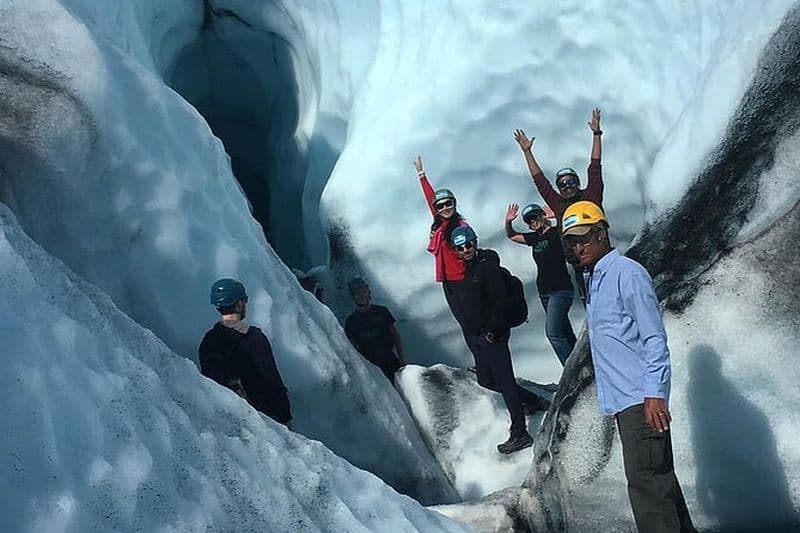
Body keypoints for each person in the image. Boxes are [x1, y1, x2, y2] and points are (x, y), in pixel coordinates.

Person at [561, 201, 696, 533]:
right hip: (627, 402)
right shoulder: (595, 280)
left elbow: (653, 338)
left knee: (648, 490)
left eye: (584, 238)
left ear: (602, 233)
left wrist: (654, 394)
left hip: (642, 402)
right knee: (658, 485)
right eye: (572, 242)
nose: (579, 247)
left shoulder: (626, 274)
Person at [448, 225, 546, 454]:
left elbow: (501, 302)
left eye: (469, 244)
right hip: (482, 335)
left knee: (505, 380)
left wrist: (492, 330)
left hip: (494, 334)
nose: (466, 249)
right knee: (486, 379)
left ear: (476, 242)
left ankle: (520, 433)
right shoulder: (470, 269)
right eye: (461, 247)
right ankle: (532, 400)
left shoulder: (487, 268)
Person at [513, 108, 605, 299]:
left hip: (601, 260)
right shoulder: (558, 203)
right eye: (562, 184)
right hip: (579, 267)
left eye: (571, 181)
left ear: (578, 182)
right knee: (592, 306)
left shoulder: (591, 196)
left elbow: (595, 166)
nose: (568, 186)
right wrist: (527, 152)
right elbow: (540, 182)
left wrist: (596, 134)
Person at [199, 278, 292, 427]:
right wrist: (285, 415)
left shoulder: (208, 340)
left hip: (221, 415)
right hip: (258, 417)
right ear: (239, 304)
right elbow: (271, 379)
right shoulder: (253, 338)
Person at [505, 202, 577, 365]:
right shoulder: (535, 238)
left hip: (561, 290)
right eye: (528, 220)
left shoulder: (555, 233)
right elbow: (512, 235)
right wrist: (508, 221)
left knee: (553, 333)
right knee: (564, 332)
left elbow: (572, 225)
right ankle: (582, 366)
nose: (532, 222)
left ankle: (570, 371)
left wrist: (557, 215)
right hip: (545, 293)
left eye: (534, 217)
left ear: (542, 216)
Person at [413, 155, 471, 340]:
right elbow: (432, 199)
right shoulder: (440, 224)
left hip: (462, 279)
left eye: (448, 204)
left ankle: (483, 361)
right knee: (463, 322)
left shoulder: (461, 226)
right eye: (441, 206)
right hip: (448, 281)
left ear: (454, 204)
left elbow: (471, 250)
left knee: (471, 321)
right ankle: (480, 363)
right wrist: (422, 176)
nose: (445, 207)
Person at [344, 275, 405, 382]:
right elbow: (352, 348)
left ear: (368, 291)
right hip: (372, 369)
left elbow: (395, 335)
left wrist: (402, 359)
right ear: (353, 296)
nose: (361, 295)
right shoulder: (351, 322)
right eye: (357, 293)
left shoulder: (382, 311)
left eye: (363, 291)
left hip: (391, 361)